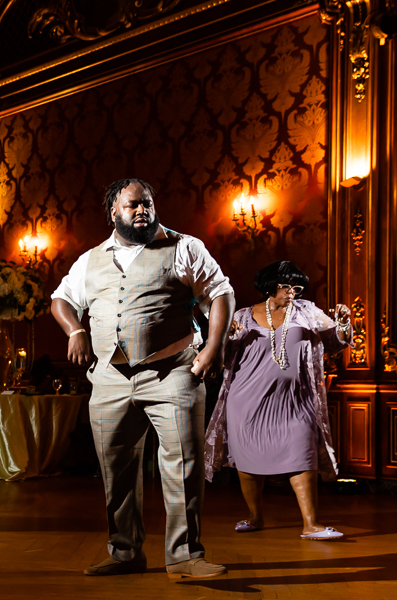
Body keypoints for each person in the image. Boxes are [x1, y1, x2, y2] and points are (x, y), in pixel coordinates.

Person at [51, 178, 235, 578]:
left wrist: (214, 347)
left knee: (182, 466)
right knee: (115, 469)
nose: (142, 211)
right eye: (133, 205)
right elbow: (61, 299)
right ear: (113, 211)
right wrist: (76, 331)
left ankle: (185, 557)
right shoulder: (90, 259)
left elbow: (220, 294)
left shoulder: (184, 247)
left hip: (173, 373)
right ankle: (124, 552)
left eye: (148, 204)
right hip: (109, 379)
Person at [205, 261, 352, 540]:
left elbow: (335, 341)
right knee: (248, 461)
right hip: (246, 401)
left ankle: (311, 524)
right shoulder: (242, 316)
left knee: (303, 454)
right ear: (269, 285)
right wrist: (225, 335)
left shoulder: (307, 311)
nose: (292, 292)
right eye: (287, 286)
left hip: (296, 400)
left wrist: (344, 323)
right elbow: (219, 357)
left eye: (297, 287)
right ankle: (255, 516)